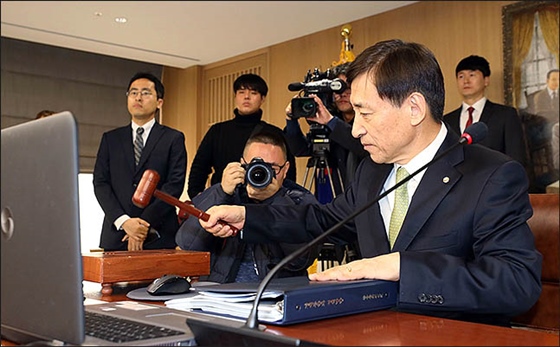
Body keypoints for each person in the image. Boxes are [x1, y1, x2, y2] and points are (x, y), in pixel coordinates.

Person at [198, 39, 542, 327]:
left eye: (366, 112)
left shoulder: (493, 175)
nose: (357, 128)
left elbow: (515, 284)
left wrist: (401, 266)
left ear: (413, 108)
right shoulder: (371, 171)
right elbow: (321, 220)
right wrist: (248, 217)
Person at [176, 130, 319, 283]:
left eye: (272, 168)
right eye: (255, 166)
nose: (261, 174)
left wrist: (275, 200)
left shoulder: (300, 200)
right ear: (242, 164)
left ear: (285, 170)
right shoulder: (225, 192)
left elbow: (302, 260)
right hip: (221, 295)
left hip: (274, 297)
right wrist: (221, 193)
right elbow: (187, 245)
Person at [93, 72, 187, 251]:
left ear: (159, 102)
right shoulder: (110, 138)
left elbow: (174, 185)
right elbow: (100, 183)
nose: (138, 97)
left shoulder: (173, 138)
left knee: (161, 280)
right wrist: (124, 221)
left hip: (159, 232)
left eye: (145, 93)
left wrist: (143, 224)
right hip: (117, 233)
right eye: (133, 92)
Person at [187, 73, 296, 199]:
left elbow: (288, 173)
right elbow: (199, 167)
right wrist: (197, 196)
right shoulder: (217, 131)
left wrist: (283, 201)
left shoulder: (275, 133)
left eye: (253, 93)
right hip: (224, 200)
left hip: (264, 202)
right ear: (235, 96)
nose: (246, 97)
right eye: (241, 92)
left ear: (263, 98)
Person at [284, 63, 368, 201]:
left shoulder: (366, 121)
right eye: (337, 89)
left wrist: (330, 121)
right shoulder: (327, 125)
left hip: (359, 200)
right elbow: (300, 150)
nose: (342, 94)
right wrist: (291, 120)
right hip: (329, 197)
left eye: (348, 89)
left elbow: (359, 144)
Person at [443, 55, 527, 167]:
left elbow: (516, 158)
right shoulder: (446, 121)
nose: (466, 81)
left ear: (486, 80)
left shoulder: (506, 115)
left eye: (472, 75)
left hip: (495, 182)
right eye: (461, 76)